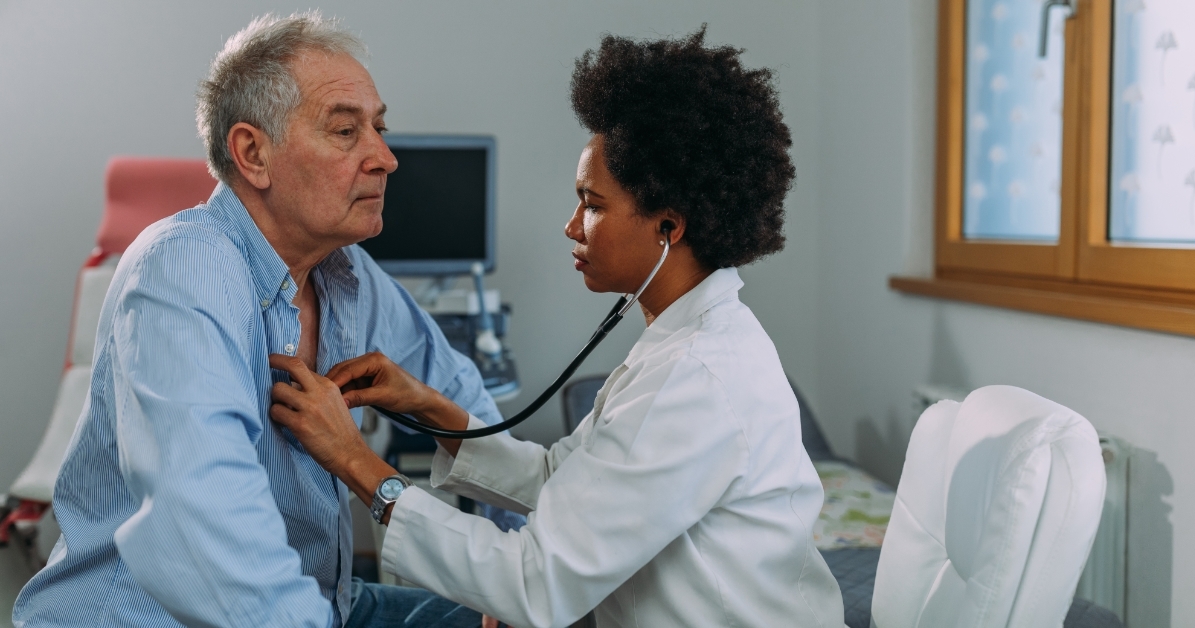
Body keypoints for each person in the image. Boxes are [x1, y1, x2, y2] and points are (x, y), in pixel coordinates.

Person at [268, 27, 846, 628]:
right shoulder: (686, 343)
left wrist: (354, 460)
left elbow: (536, 584)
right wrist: (425, 405)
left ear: (668, 228)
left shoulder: (696, 377)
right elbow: (557, 480)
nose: (572, 227)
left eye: (592, 205)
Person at [12, 12, 516, 628]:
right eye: (346, 131)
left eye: (379, 129)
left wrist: (518, 573)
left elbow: (463, 396)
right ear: (253, 154)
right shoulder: (183, 268)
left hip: (319, 601)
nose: (386, 158)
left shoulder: (349, 276)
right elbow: (211, 533)